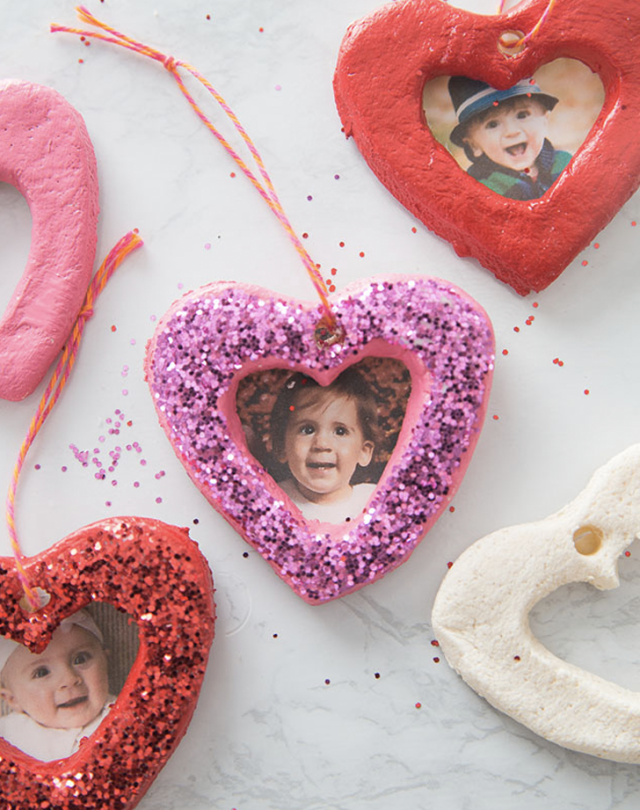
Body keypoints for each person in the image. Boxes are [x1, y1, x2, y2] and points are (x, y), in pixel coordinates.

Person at [0, 609, 115, 762]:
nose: (69, 679)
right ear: (12, 699)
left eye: (80, 659)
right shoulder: (9, 736)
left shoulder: (123, 717)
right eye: (42, 672)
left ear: (105, 662)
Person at [270, 368, 379, 524]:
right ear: (282, 446)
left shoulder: (375, 501)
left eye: (340, 431)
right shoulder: (271, 499)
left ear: (364, 451)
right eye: (307, 430)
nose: (322, 444)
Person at [448, 76, 572, 201]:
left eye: (522, 115)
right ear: (474, 145)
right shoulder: (481, 189)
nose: (512, 132)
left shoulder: (565, 164)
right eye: (493, 124)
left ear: (544, 121)